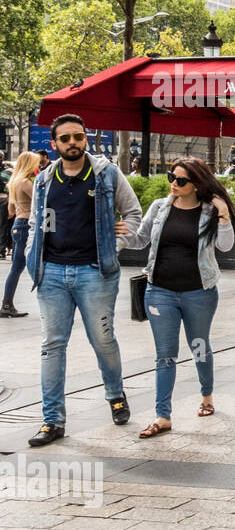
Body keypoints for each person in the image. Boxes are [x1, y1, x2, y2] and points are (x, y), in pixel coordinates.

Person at [25, 114, 142, 447]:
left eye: (78, 136)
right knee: (52, 346)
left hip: (95, 272)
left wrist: (117, 243)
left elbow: (133, 213)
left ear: (85, 139)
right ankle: (52, 420)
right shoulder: (45, 181)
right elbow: (38, 223)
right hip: (52, 275)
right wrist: (37, 257)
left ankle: (115, 394)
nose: (72, 142)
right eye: (65, 139)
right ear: (54, 144)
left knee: (103, 340)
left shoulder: (106, 175)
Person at [129, 158, 235, 438]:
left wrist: (223, 212)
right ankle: (162, 416)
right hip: (159, 291)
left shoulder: (209, 212)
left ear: (196, 184)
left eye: (181, 180)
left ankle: (206, 396)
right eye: (171, 177)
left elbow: (225, 246)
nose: (173, 184)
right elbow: (140, 240)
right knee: (165, 355)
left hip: (199, 292)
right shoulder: (160, 208)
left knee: (199, 345)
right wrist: (119, 233)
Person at [2, 151, 39, 317]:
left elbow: (11, 210)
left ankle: (7, 304)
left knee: (16, 268)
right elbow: (41, 201)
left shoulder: (14, 182)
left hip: (18, 224)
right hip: (25, 225)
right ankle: (6, 304)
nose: (37, 166)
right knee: (19, 266)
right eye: (35, 163)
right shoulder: (25, 183)